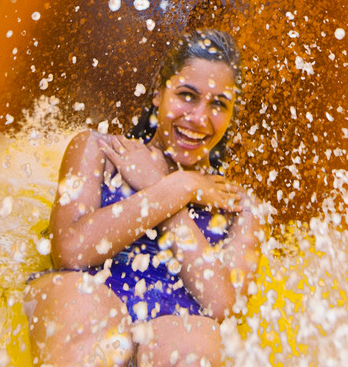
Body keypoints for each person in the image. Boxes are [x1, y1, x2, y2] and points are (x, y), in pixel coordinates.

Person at [25, 30, 262, 367]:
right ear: (158, 94)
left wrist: (170, 187)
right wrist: (176, 189)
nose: (198, 118)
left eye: (218, 105)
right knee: (82, 306)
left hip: (177, 330)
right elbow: (71, 252)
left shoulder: (238, 205)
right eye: (187, 95)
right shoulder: (102, 151)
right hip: (86, 303)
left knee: (193, 342)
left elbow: (223, 305)